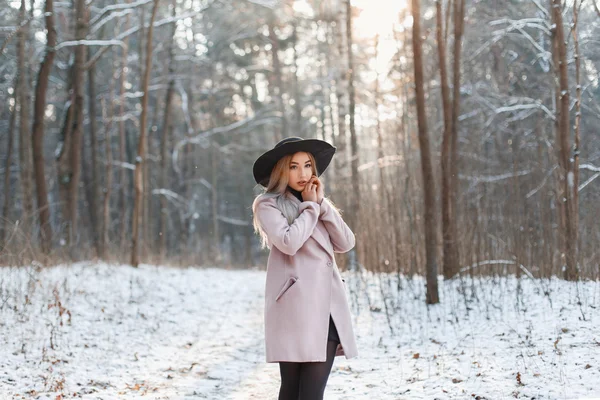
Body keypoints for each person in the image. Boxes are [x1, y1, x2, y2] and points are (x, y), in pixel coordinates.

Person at [251, 137, 358, 400]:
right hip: (294, 309)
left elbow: (346, 243)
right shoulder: (268, 204)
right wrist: (310, 207)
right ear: (281, 171)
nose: (303, 173)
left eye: (308, 165)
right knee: (292, 389)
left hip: (327, 308)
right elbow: (289, 242)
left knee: (311, 392)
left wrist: (321, 204)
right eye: (294, 166)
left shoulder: (317, 203)